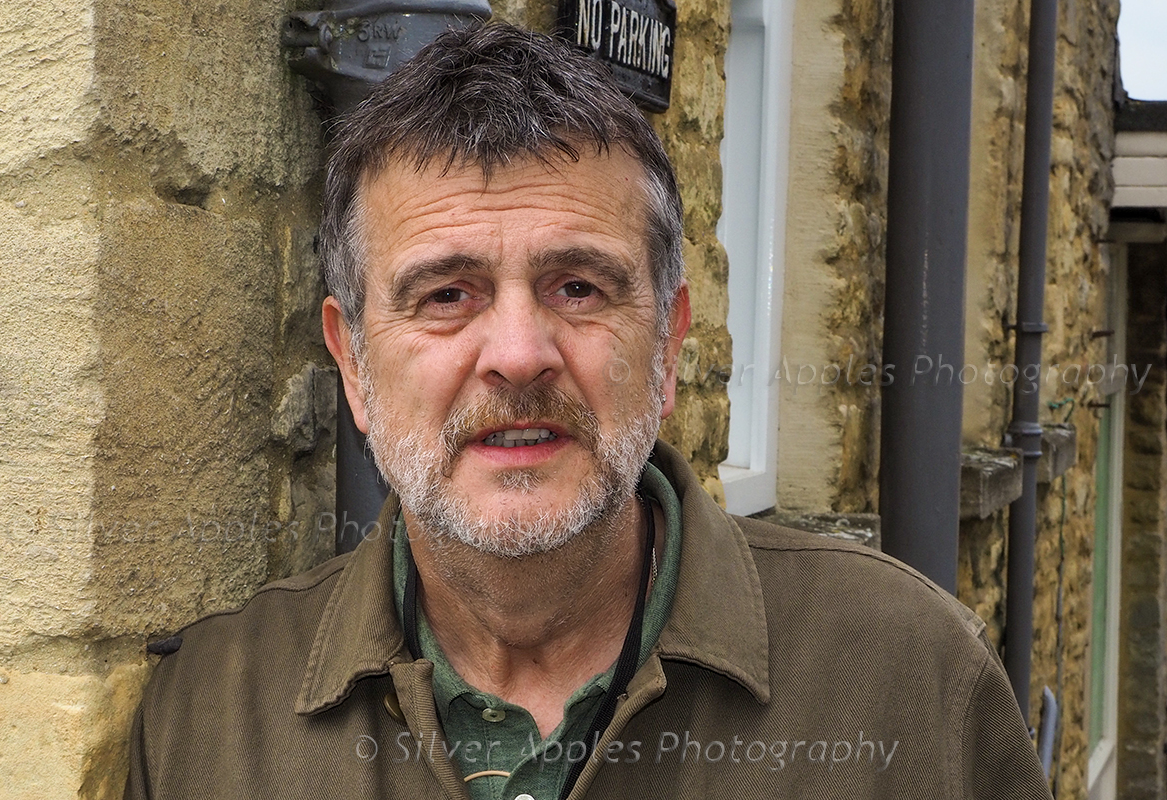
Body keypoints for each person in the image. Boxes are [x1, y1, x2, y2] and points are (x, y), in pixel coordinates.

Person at [125, 22, 1053, 800]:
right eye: (446, 295)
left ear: (669, 345)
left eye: (578, 287)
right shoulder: (210, 724)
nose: (519, 353)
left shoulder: (908, 683)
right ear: (354, 366)